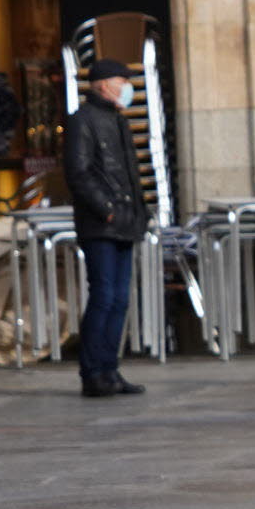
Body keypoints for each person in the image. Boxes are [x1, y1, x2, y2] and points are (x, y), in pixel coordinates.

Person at [62, 58, 150, 398]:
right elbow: (79, 173)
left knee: (120, 299)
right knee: (104, 295)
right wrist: (108, 211)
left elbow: (128, 174)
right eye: (121, 81)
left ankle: (110, 369)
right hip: (101, 224)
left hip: (126, 222)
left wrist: (138, 215)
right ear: (101, 84)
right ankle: (93, 372)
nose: (127, 87)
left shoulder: (118, 121)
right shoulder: (82, 120)